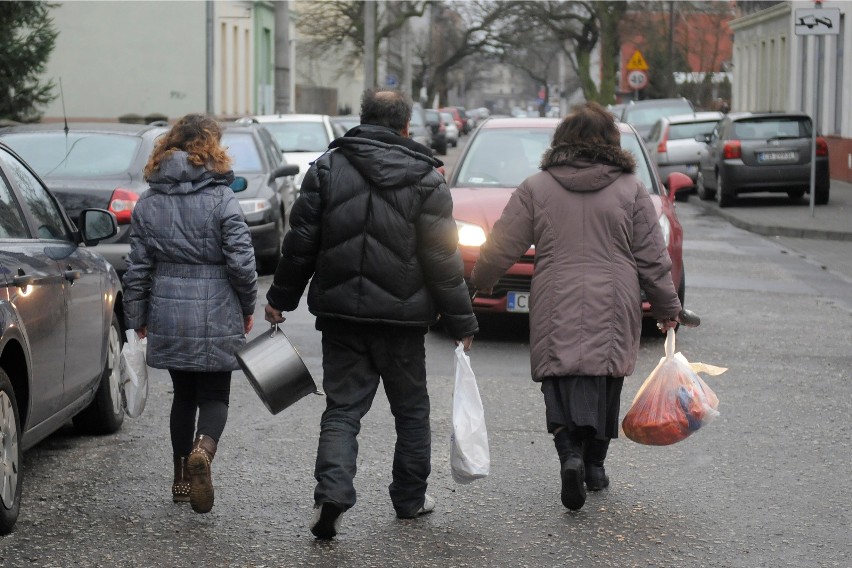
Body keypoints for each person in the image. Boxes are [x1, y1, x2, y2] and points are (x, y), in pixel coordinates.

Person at [264, 88, 478, 539]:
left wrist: (279, 299)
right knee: (412, 412)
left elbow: (299, 243)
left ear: (363, 120)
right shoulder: (426, 178)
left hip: (341, 317)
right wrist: (461, 323)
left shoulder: (326, 169)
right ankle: (409, 499)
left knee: (342, 409)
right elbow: (443, 261)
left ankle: (332, 495)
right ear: (405, 127)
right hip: (401, 322)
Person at [470, 101, 683, 511]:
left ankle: (569, 453)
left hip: (555, 294)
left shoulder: (537, 187)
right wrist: (665, 307)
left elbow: (501, 247)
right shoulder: (631, 189)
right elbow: (652, 257)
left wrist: (477, 285)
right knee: (606, 376)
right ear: (611, 142)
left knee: (560, 374)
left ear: (561, 142)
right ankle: (596, 466)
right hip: (615, 297)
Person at [122, 113, 257, 514]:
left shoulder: (149, 201)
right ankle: (204, 449)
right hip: (217, 306)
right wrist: (247, 305)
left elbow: (138, 267)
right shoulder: (222, 197)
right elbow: (242, 263)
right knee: (215, 394)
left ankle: (182, 478)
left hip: (168, 307)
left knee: (183, 395)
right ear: (212, 148)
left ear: (168, 147)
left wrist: (137, 315)